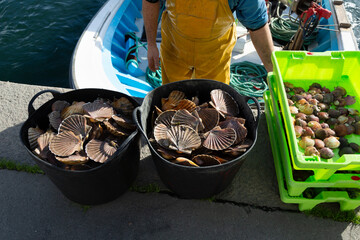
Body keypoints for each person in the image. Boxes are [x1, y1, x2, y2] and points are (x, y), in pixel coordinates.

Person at [143, 0, 274, 85]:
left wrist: (273, 73)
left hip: (216, 53)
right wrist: (151, 44)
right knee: (172, 98)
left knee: (213, 102)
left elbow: (258, 26)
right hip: (174, 46)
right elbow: (151, 1)